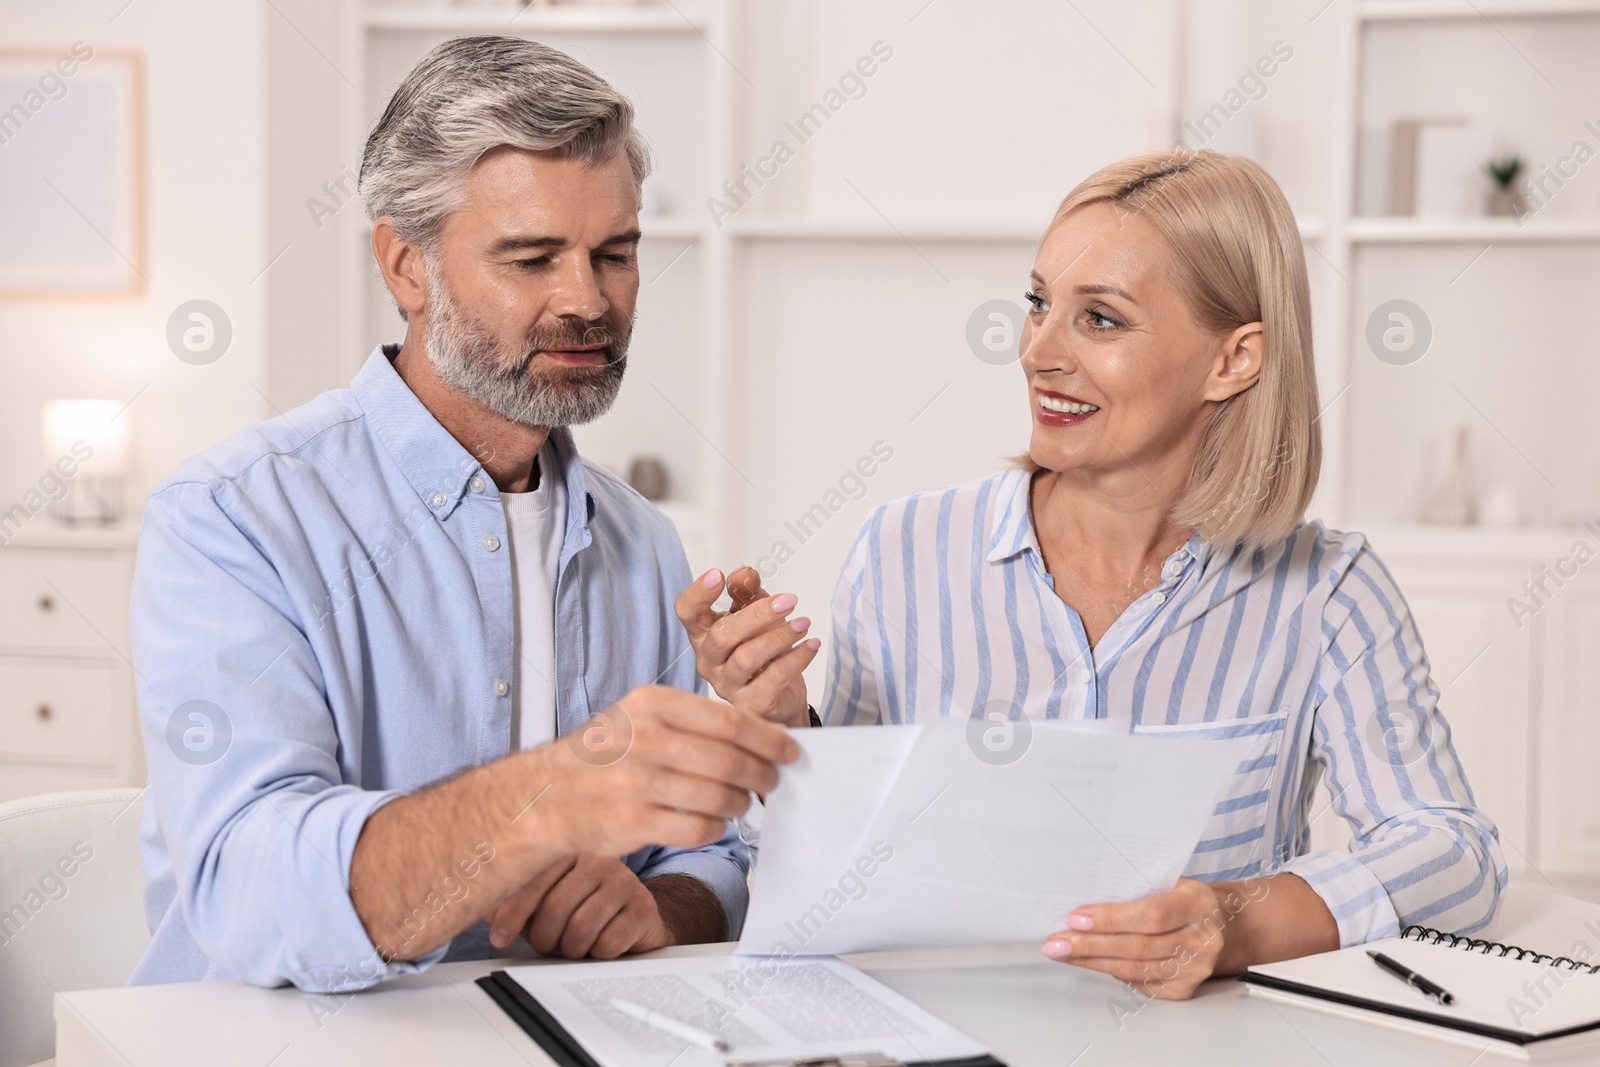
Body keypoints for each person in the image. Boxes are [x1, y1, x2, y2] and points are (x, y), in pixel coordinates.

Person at [677, 149, 1507, 1000]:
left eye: (1100, 319)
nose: (1040, 350)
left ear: (1235, 359)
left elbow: (1454, 850)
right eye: (1039, 303)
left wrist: (1237, 919)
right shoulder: (905, 550)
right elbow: (834, 870)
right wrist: (781, 725)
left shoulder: (1327, 588)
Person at [128, 35, 797, 992]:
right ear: (407, 266)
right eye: (532, 258)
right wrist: (547, 801)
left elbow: (716, 854)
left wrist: (659, 905)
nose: (587, 299)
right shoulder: (232, 520)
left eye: (615, 254)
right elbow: (248, 887)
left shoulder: (640, 542)